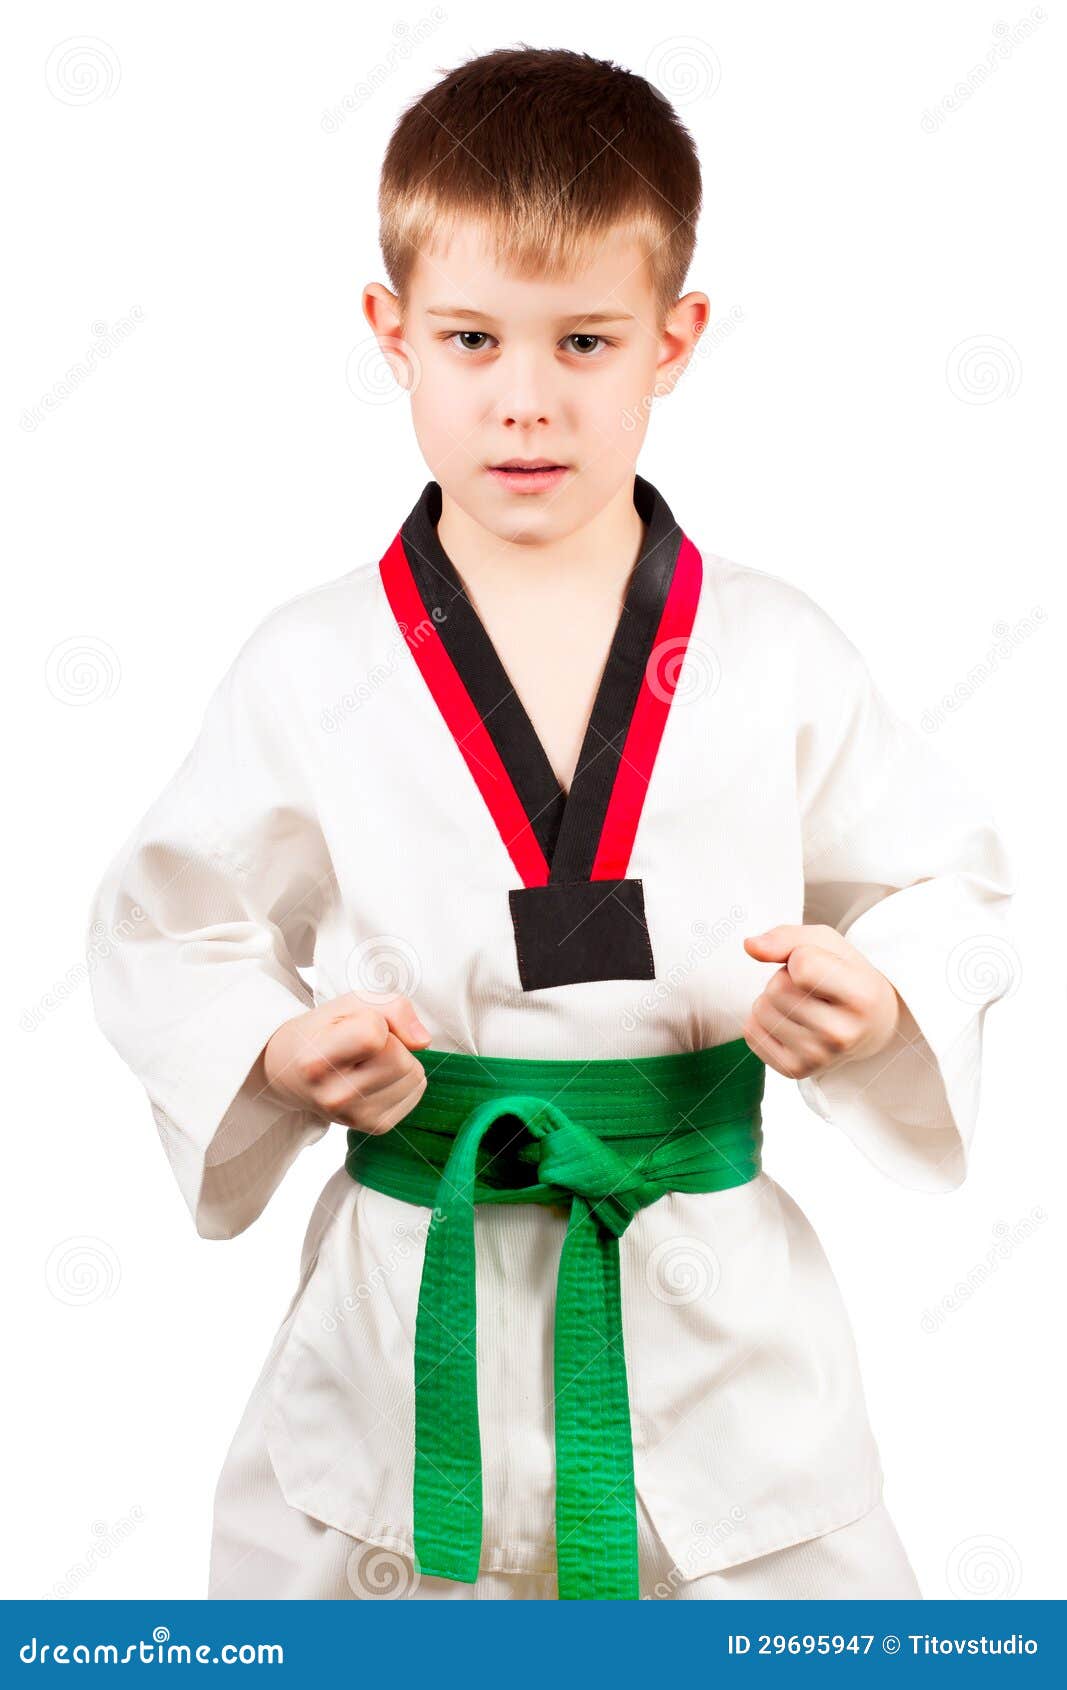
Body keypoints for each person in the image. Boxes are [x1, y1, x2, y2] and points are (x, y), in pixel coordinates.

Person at [86, 46, 1016, 1601]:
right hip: (412, 1288)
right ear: (392, 336)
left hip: (709, 1305)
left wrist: (885, 995)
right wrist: (270, 1050)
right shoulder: (313, 663)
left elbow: (941, 880)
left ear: (675, 339)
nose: (526, 397)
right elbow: (168, 918)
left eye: (585, 339)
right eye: (471, 338)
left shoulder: (773, 647)